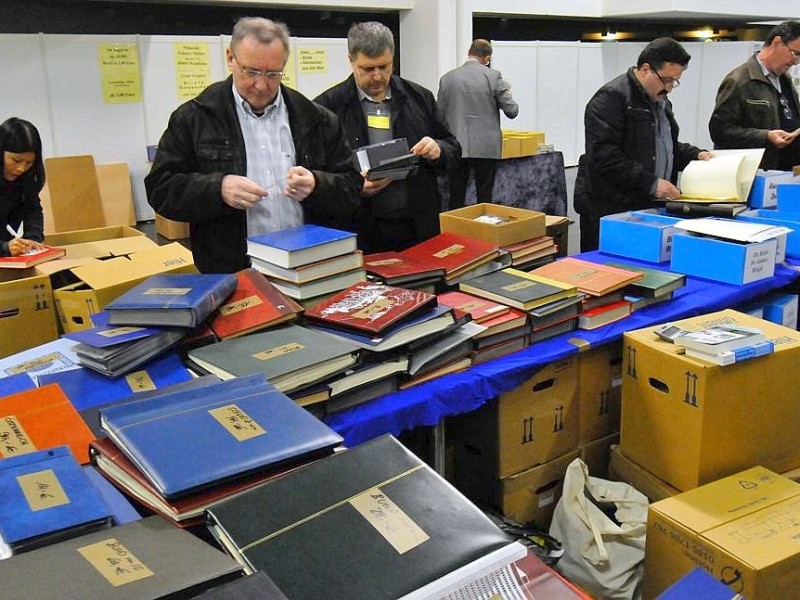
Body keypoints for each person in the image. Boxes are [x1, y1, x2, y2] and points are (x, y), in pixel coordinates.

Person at [145, 17, 362, 273]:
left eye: (273, 74)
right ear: (230, 58)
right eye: (251, 72)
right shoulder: (194, 118)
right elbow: (160, 189)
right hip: (233, 270)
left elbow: (351, 187)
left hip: (307, 266)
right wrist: (218, 189)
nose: (261, 85)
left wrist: (317, 184)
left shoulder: (318, 119)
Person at [315, 21, 460, 253]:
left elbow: (453, 147)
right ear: (351, 61)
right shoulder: (326, 109)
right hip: (358, 233)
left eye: (384, 66)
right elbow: (317, 179)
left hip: (418, 229)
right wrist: (353, 186)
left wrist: (439, 149)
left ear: (393, 58)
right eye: (367, 69)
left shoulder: (420, 98)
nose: (377, 76)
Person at [575, 37, 711, 252]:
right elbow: (605, 156)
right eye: (666, 80)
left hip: (647, 207)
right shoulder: (610, 98)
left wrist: (697, 155)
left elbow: (665, 146)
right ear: (646, 69)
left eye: (674, 82)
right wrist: (652, 183)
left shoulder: (661, 102)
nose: (670, 88)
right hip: (615, 211)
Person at [437, 39, 519, 208]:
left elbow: (439, 116)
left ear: (469, 52)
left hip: (456, 145)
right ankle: (481, 230)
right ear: (487, 58)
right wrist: (508, 93)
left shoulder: (447, 79)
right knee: (484, 196)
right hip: (486, 147)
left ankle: (454, 230)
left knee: (456, 195)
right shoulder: (494, 76)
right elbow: (512, 111)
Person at [709, 20, 800, 171]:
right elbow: (720, 132)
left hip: (788, 173)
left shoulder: (785, 80)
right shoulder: (740, 80)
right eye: (795, 53)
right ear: (777, 42)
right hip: (757, 176)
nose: (796, 61)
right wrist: (766, 136)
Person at [1, 118, 47, 258]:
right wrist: (3, 248)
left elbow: (33, 211)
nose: (22, 168)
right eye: (16, 160)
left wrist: (33, 239)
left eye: (29, 162)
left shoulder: (26, 178)